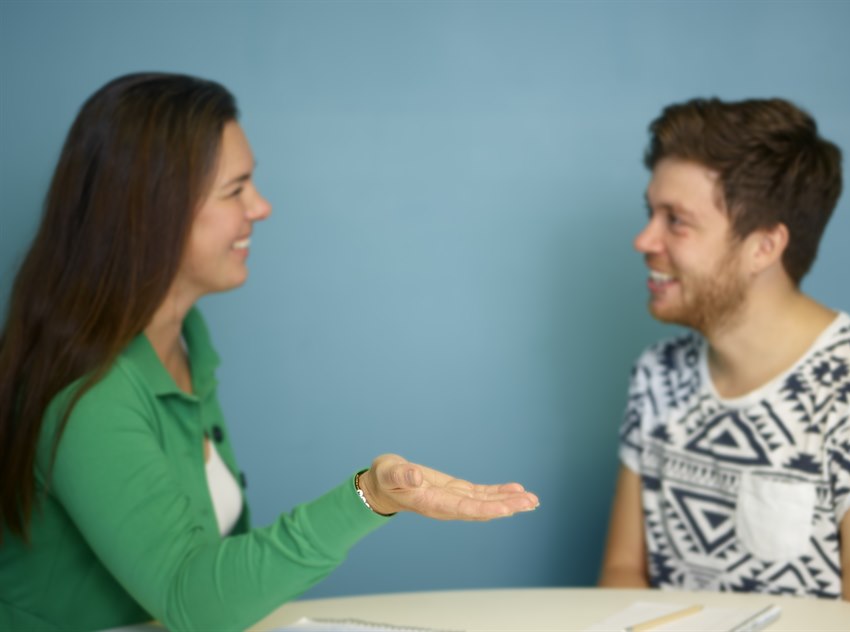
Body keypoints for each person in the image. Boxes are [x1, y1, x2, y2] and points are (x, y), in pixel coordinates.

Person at [0, 72, 539, 632]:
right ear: (153, 209)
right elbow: (190, 599)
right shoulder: (89, 392)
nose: (260, 207)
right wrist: (370, 496)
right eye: (235, 190)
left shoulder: (186, 342)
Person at [598, 97, 850, 607]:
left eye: (676, 220)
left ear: (763, 247)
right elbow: (623, 572)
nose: (643, 240)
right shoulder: (657, 376)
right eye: (650, 213)